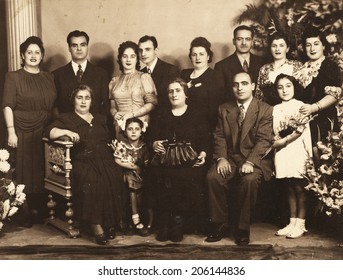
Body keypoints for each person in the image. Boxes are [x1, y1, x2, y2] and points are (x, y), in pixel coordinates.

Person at [45, 85, 124, 245]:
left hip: (105, 159)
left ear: (91, 101)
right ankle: (96, 225)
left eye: (87, 98)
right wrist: (66, 132)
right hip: (82, 160)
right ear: (73, 100)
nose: (83, 101)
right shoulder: (66, 118)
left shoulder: (100, 118)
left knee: (114, 176)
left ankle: (109, 222)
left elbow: (109, 140)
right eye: (79, 97)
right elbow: (49, 132)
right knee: (93, 180)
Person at [205, 72, 273, 245]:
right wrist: (221, 158)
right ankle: (220, 224)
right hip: (230, 158)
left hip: (253, 159)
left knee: (249, 180)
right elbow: (219, 136)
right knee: (213, 177)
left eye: (244, 83)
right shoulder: (224, 108)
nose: (240, 88)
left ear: (253, 86)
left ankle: (242, 228)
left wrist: (250, 162)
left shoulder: (265, 109)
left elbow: (264, 140)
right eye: (236, 84)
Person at [2, 36, 56, 225]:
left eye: (37, 52)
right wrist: (11, 131)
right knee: (25, 170)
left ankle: (40, 208)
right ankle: (24, 212)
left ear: (42, 56)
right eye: (29, 52)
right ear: (22, 56)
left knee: (42, 169)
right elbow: (8, 106)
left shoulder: (49, 77)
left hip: (44, 129)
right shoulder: (13, 76)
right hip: (22, 130)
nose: (33, 56)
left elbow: (53, 106)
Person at [149, 78, 210, 242]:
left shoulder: (196, 113)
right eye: (170, 91)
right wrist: (154, 143)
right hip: (165, 160)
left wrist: (203, 154)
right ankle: (164, 223)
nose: (174, 94)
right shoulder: (161, 113)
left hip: (188, 161)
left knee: (183, 178)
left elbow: (204, 139)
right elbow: (152, 136)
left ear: (185, 94)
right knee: (159, 177)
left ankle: (177, 223)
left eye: (177, 90)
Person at [272, 74, 312, 239]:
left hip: (297, 149)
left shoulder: (301, 106)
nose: (284, 90)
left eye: (288, 86)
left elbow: (301, 129)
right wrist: (276, 140)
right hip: (282, 151)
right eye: (280, 87)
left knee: (299, 187)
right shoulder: (275, 108)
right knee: (287, 186)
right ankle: (292, 222)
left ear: (294, 87)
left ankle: (301, 223)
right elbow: (275, 130)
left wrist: (284, 140)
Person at [294, 26, 342, 144]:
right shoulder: (301, 68)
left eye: (316, 44)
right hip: (303, 122)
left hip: (323, 120)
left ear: (323, 46)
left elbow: (335, 95)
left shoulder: (329, 66)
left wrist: (313, 108)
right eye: (308, 45)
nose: (312, 48)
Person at [53, 30, 110, 116]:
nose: (79, 49)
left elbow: (105, 106)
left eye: (83, 45)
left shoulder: (101, 74)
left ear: (87, 47)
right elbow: (55, 107)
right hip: (65, 126)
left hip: (93, 126)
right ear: (69, 48)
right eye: (74, 45)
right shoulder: (57, 75)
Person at [111, 118, 152, 236]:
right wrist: (132, 167)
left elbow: (146, 163)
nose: (133, 132)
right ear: (125, 131)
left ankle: (142, 219)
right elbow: (117, 160)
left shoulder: (144, 147)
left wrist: (140, 169)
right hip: (125, 174)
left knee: (141, 190)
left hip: (140, 175)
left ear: (141, 131)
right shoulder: (123, 145)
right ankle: (135, 220)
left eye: (136, 129)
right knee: (129, 181)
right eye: (130, 129)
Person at [109, 41, 157, 140]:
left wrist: (131, 115)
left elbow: (152, 104)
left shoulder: (144, 77)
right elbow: (113, 106)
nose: (128, 60)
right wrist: (114, 113)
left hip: (139, 124)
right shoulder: (114, 81)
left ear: (137, 59)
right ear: (120, 59)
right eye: (125, 56)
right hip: (120, 125)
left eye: (132, 56)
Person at [181, 37, 225, 133]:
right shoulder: (183, 74)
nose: (197, 58)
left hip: (204, 127)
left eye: (201, 54)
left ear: (208, 56)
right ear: (190, 57)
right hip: (183, 123)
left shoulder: (215, 76)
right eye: (194, 55)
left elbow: (215, 108)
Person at [215, 25, 264, 101]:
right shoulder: (221, 66)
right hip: (233, 110)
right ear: (234, 41)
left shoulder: (262, 62)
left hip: (259, 110)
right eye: (239, 39)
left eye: (247, 39)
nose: (244, 43)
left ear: (252, 41)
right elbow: (220, 97)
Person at [255, 32, 303, 106]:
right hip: (270, 111)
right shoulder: (264, 69)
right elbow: (259, 96)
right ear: (270, 48)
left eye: (281, 46)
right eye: (274, 46)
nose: (277, 49)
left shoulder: (297, 66)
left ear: (287, 49)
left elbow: (304, 92)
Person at [138, 35, 180, 111]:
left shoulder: (171, 70)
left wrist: (157, 100)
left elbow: (179, 97)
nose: (143, 54)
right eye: (140, 50)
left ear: (156, 50)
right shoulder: (140, 73)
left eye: (147, 49)